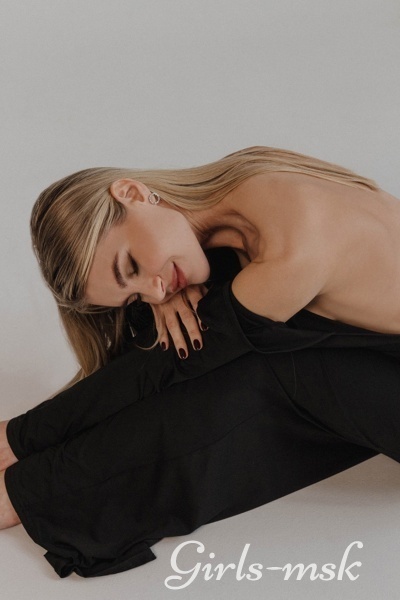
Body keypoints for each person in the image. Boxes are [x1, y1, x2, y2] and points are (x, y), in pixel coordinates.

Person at [1, 146, 400, 578]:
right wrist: (166, 287)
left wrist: (22, 436)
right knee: (169, 322)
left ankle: (41, 492)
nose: (155, 290)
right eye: (135, 291)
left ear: (133, 192)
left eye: (131, 266)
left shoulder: (295, 247)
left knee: (263, 369)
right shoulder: (249, 185)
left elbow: (172, 365)